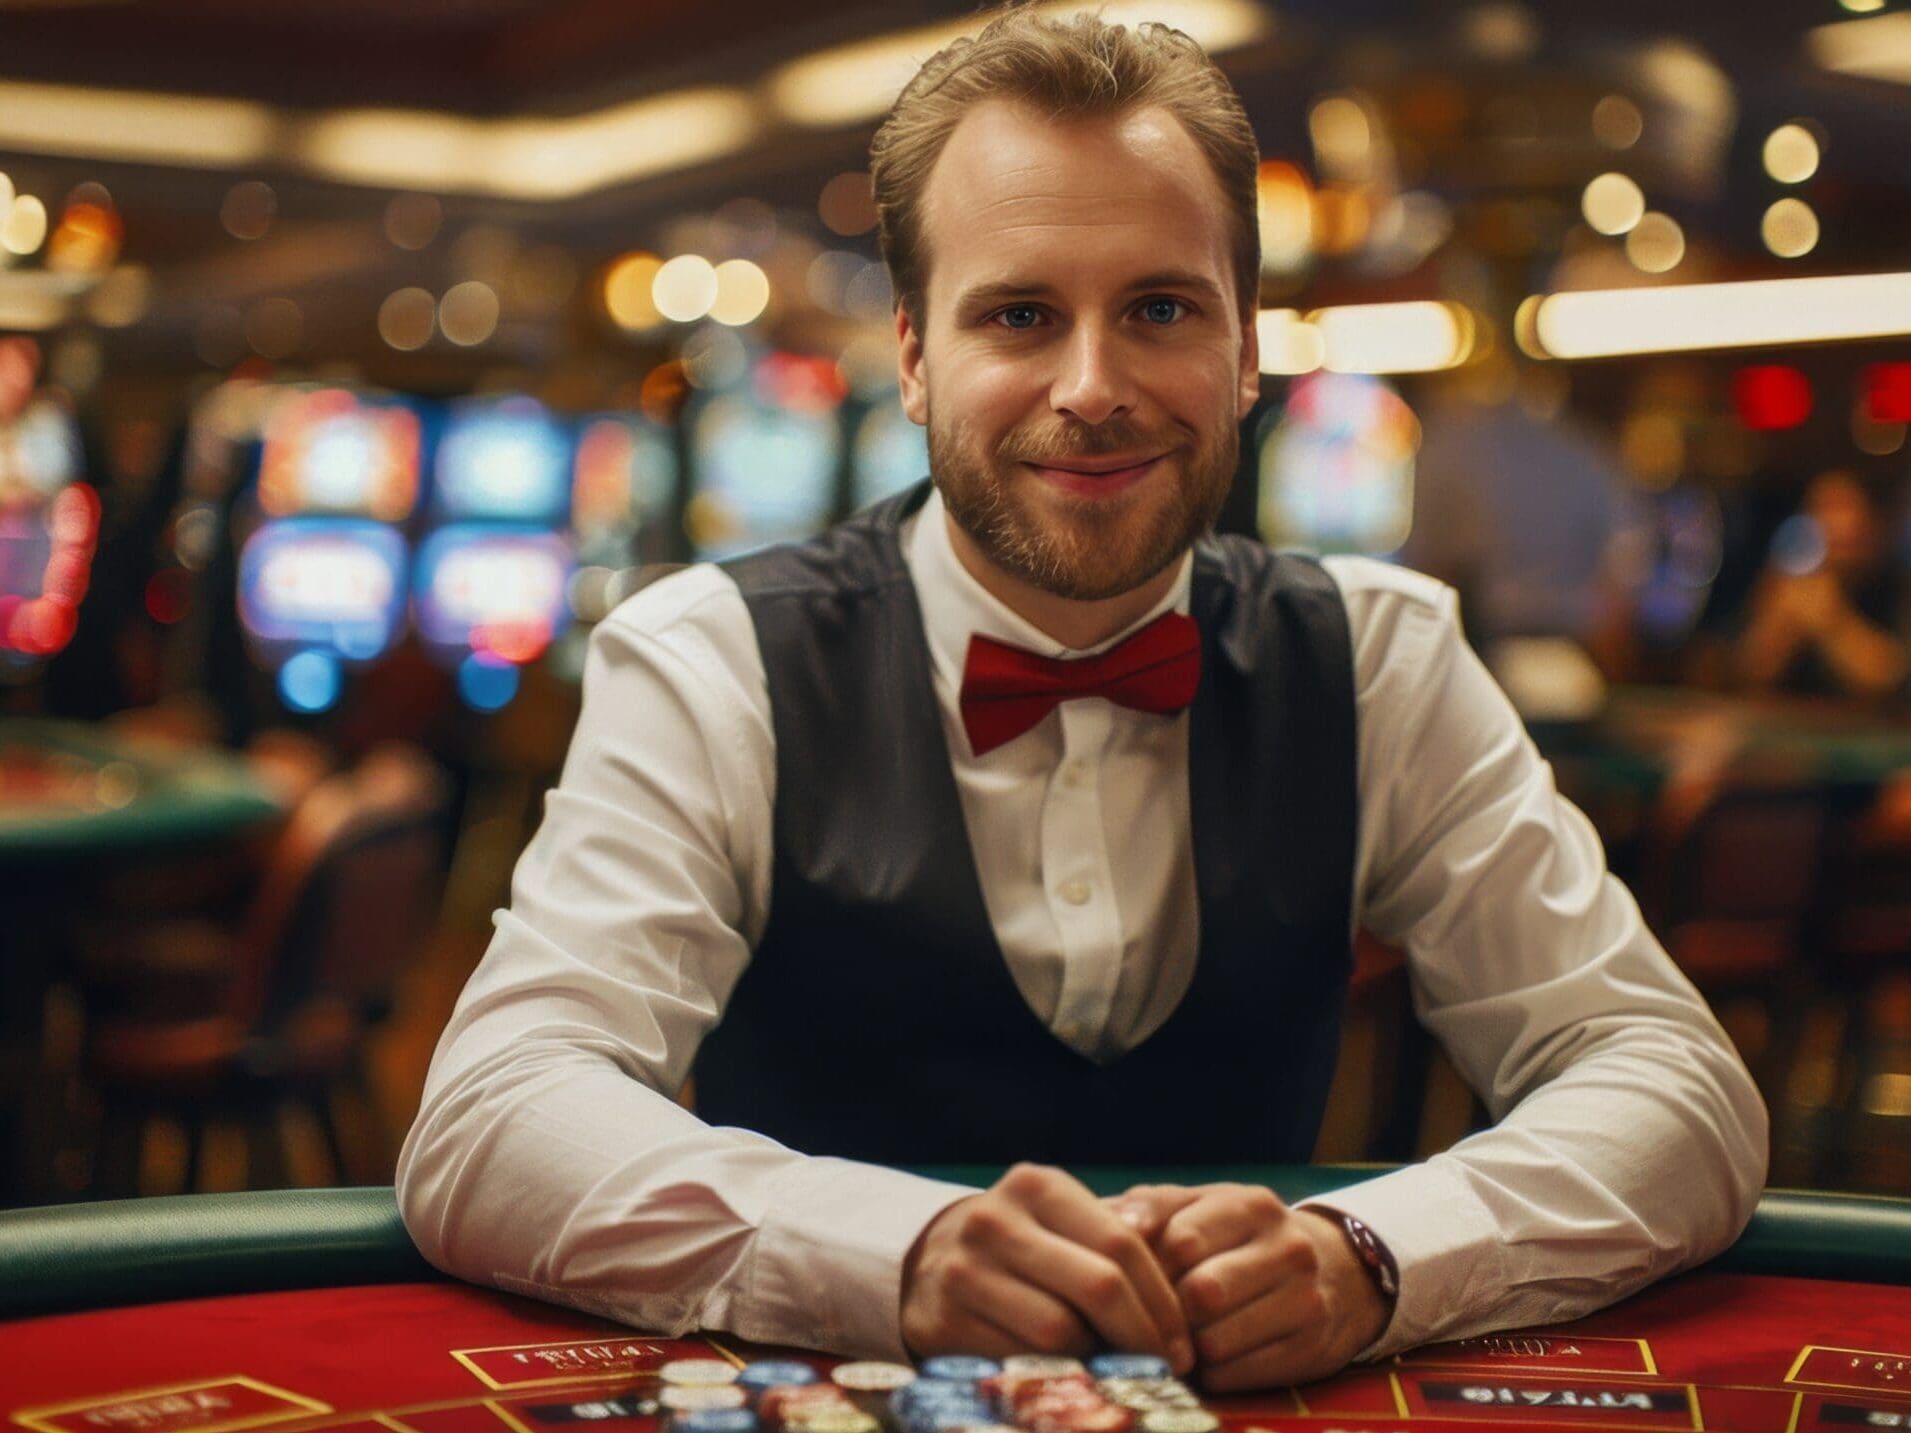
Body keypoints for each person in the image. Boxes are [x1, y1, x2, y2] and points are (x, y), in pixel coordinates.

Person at [398, 6, 1765, 1392]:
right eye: (1018, 315)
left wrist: (1368, 1252)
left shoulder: (1376, 656)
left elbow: (1672, 1086)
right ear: (917, 358)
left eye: (1159, 309)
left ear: (1244, 350)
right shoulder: (709, 657)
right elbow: (493, 1116)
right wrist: (898, 1253)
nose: (1092, 387)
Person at [1734, 469, 1908, 700]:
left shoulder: (1895, 584)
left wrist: (1830, 621)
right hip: (1793, 725)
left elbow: (1893, 680)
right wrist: (1782, 625)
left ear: (1873, 521)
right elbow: (1747, 673)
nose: (1833, 523)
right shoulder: (1788, 578)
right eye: (1822, 508)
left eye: (1843, 507)